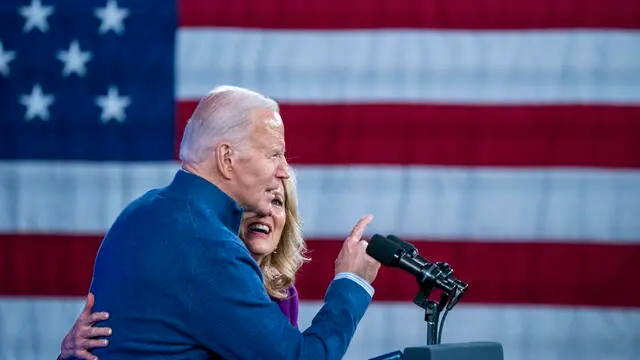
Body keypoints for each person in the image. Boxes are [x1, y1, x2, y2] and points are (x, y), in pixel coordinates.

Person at [83, 85, 380, 359]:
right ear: (227, 158)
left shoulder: (139, 212)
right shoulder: (210, 248)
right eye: (274, 154)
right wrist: (351, 283)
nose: (284, 171)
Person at [59, 173, 308, 359]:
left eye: (277, 202)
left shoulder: (283, 293)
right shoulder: (191, 274)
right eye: (254, 202)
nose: (265, 211)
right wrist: (69, 353)